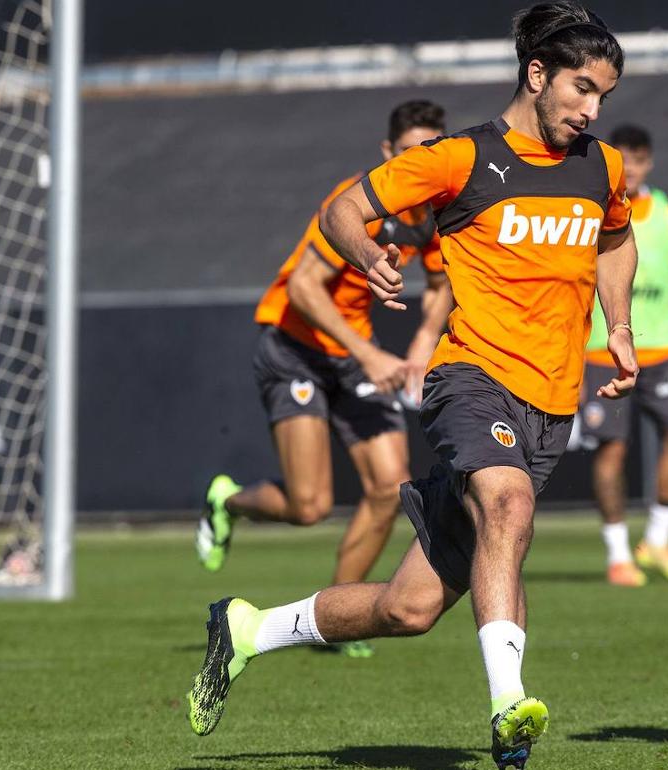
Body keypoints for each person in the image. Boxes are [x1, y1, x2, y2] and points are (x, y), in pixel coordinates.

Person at [186, 5, 636, 769]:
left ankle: (251, 629)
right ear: (537, 75)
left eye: (604, 96)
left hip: (551, 402)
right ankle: (507, 714)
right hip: (471, 380)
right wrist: (365, 253)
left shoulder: (603, 167)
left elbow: (617, 239)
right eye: (582, 89)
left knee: (412, 605)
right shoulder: (460, 159)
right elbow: (344, 210)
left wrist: (617, 324)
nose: (593, 109)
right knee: (509, 504)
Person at [194, 100, 453, 659]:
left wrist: (416, 348)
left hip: (355, 356)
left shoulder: (435, 214)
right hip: (296, 350)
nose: (420, 161)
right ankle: (228, 502)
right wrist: (371, 353)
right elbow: (304, 290)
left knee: (390, 488)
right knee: (309, 507)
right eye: (409, 150)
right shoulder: (354, 203)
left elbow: (440, 287)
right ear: (388, 153)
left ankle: (334, 622)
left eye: (431, 149)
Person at [579, 124, 668, 587]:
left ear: (649, 163)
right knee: (611, 453)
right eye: (622, 160)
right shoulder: (590, 211)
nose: (630, 168)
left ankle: (658, 538)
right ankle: (616, 554)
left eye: (638, 160)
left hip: (664, 350)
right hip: (602, 351)